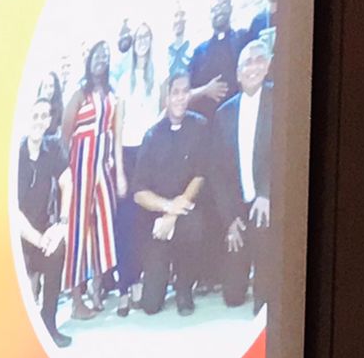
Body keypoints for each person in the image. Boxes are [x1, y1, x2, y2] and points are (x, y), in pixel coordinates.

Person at [130, 72, 211, 315]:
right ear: (166, 98)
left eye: (185, 91)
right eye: (175, 92)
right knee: (151, 306)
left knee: (195, 226)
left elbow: (200, 175)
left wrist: (174, 214)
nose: (180, 97)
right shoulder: (152, 135)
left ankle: (184, 286)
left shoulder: (200, 126)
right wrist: (166, 208)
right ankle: (161, 277)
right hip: (157, 223)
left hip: (185, 215)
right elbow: (139, 192)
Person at [61, 40, 127, 318]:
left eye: (106, 55)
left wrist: (119, 172)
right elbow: (65, 135)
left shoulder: (113, 95)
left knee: (104, 227)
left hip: (104, 168)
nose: (102, 58)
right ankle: (76, 301)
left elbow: (117, 135)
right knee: (78, 231)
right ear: (89, 60)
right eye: (97, 54)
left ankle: (97, 288)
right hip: (80, 167)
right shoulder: (80, 94)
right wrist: (68, 173)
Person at [211, 39, 274, 311]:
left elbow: (285, 153)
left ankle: (265, 288)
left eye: (259, 60)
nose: (253, 67)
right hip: (238, 209)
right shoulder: (224, 113)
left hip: (268, 203)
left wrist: (267, 193)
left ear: (268, 65)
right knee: (232, 296)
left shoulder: (280, 100)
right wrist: (229, 220)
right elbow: (217, 173)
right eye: (247, 63)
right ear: (238, 74)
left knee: (264, 301)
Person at [15, 96, 72, 347]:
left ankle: (49, 324)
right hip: (16, 235)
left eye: (43, 116)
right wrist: (39, 240)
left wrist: (62, 225)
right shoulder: (15, 156)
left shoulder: (54, 147)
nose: (39, 121)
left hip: (44, 228)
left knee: (57, 249)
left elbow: (67, 181)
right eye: (34, 116)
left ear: (49, 120)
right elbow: (13, 212)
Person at [112, 21, 162, 310]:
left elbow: (164, 111)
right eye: (139, 36)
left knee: (144, 222)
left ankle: (139, 281)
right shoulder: (124, 80)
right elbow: (118, 127)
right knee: (125, 224)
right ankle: (124, 287)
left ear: (151, 40)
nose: (142, 40)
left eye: (147, 36)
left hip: (150, 154)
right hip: (128, 156)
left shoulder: (159, 74)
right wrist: (119, 171)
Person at [188, 0, 251, 118]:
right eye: (215, 9)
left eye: (223, 5)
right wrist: (206, 90)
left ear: (231, 8)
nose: (219, 11)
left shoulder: (243, 39)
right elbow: (186, 93)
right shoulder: (199, 52)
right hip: (205, 121)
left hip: (237, 116)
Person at [166, 5, 193, 78]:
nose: (179, 19)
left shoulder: (194, 48)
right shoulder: (163, 53)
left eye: (182, 15)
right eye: (176, 15)